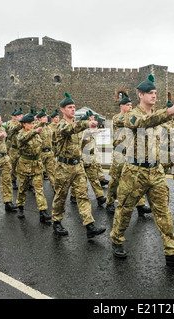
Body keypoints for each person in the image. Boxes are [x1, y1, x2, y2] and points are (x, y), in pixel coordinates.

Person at [110, 74, 174, 268]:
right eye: (150, 93)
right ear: (140, 95)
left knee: (164, 212)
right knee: (124, 210)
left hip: (155, 171)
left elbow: (167, 128)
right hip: (134, 172)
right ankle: (117, 239)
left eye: (155, 93)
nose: (154, 96)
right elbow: (143, 122)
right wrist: (169, 112)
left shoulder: (158, 115)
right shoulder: (131, 115)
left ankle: (173, 253)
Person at [51, 93, 106, 239]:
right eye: (70, 107)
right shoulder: (62, 125)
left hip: (78, 165)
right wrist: (86, 124)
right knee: (61, 196)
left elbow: (82, 142)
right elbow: (70, 129)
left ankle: (89, 225)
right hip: (64, 167)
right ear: (62, 110)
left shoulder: (77, 125)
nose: (73, 110)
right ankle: (56, 221)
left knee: (83, 195)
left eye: (74, 107)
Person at [105, 93, 151, 215]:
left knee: (136, 179)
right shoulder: (117, 118)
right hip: (120, 152)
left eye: (131, 105)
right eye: (127, 105)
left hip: (132, 153)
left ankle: (140, 205)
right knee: (115, 178)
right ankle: (109, 202)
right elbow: (126, 121)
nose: (130, 107)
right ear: (121, 106)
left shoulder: (134, 117)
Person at [15, 111, 50, 222]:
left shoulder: (35, 133)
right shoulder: (21, 133)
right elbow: (22, 139)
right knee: (23, 189)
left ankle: (42, 211)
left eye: (33, 123)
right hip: (25, 165)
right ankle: (20, 207)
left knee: (39, 189)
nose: (32, 125)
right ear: (24, 124)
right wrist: (34, 131)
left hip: (37, 165)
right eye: (30, 123)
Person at [36, 109, 56, 187]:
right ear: (39, 119)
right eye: (43, 117)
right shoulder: (37, 127)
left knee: (51, 171)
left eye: (46, 117)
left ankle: (55, 188)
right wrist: (40, 123)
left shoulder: (49, 128)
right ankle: (37, 188)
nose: (46, 118)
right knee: (39, 172)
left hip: (49, 152)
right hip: (40, 153)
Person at [7, 108, 24, 190]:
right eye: (19, 116)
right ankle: (13, 180)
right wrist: (20, 123)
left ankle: (25, 183)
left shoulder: (24, 124)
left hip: (22, 149)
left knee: (23, 166)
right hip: (14, 149)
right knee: (13, 165)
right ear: (16, 117)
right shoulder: (11, 123)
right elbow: (12, 130)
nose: (21, 117)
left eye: (22, 115)